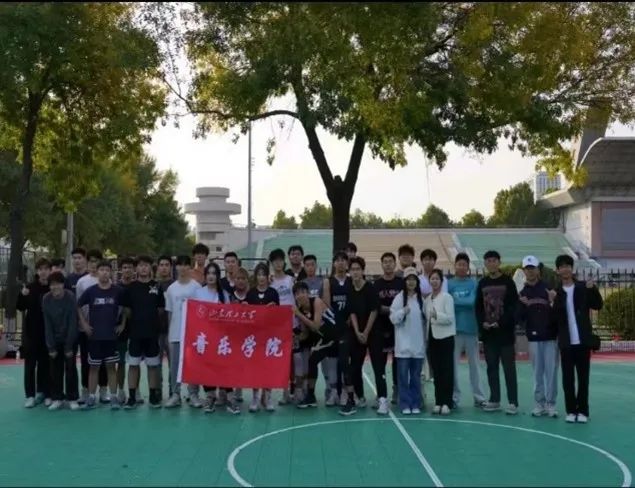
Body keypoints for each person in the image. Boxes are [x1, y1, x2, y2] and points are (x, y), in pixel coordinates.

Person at [552, 254, 603, 424]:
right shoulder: (556, 292)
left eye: (568, 266)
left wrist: (592, 289)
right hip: (566, 343)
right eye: (562, 266)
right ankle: (571, 410)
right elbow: (555, 319)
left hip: (583, 342)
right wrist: (552, 302)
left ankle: (583, 411)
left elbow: (598, 305)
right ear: (558, 270)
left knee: (583, 379)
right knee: (568, 380)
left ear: (571, 268)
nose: (565, 269)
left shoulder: (582, 287)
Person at [475, 250, 519, 415]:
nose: (491, 263)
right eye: (488, 261)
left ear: (499, 262)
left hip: (505, 334)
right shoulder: (482, 283)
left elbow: (513, 307)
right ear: (485, 264)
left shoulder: (508, 282)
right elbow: (478, 307)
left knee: (509, 369)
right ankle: (494, 399)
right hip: (489, 335)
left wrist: (500, 322)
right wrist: (483, 323)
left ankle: (513, 402)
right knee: (491, 367)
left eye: (494, 260)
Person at [77, 260, 125, 410]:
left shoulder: (118, 291)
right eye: (102, 270)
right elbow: (77, 306)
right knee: (94, 367)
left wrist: (122, 324)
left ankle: (114, 397)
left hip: (111, 337)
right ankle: (91, 397)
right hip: (95, 337)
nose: (104, 272)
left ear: (110, 272)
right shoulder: (91, 291)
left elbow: (126, 308)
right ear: (97, 272)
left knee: (111, 367)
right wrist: (84, 324)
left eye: (107, 270)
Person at [193, 262, 240, 415]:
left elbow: (229, 316)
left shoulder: (224, 294)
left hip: (221, 338)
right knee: (207, 367)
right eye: (209, 273)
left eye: (214, 273)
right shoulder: (198, 293)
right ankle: (210, 397)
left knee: (224, 367)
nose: (211, 276)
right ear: (205, 276)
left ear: (218, 276)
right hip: (205, 337)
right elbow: (194, 314)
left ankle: (230, 398)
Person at [517, 255, 559, 418]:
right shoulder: (523, 293)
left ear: (538, 270)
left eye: (532, 268)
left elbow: (558, 313)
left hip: (550, 337)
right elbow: (520, 319)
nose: (530, 271)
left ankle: (551, 404)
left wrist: (552, 302)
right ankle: (539, 403)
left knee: (551, 372)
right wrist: (522, 305)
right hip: (534, 338)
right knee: (537, 373)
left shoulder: (548, 288)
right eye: (527, 268)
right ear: (524, 271)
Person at [120, 256, 164, 409]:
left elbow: (160, 310)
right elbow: (127, 311)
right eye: (140, 265)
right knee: (133, 365)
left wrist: (152, 322)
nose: (143, 268)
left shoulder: (157, 287)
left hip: (152, 334)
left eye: (146, 265)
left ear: (150, 268)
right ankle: (132, 397)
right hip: (135, 334)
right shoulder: (130, 288)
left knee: (153, 366)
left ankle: (153, 397)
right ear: (136, 268)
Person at [164, 256, 203, 409]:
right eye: (180, 265)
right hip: (175, 333)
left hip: (192, 334)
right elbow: (169, 313)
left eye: (186, 265)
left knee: (193, 365)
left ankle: (193, 394)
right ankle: (175, 394)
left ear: (190, 267)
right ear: (176, 267)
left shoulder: (196, 287)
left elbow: (201, 311)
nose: (183, 268)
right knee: (175, 366)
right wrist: (169, 333)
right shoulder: (171, 289)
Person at [448, 253, 486, 409]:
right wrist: (461, 302)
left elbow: (472, 302)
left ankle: (479, 397)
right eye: (459, 264)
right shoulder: (448, 284)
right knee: (453, 366)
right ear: (455, 266)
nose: (462, 267)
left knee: (475, 365)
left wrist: (457, 301)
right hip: (454, 330)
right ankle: (454, 397)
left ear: (468, 267)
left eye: (464, 264)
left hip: (471, 329)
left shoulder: (474, 283)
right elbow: (448, 303)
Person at [322, 251, 356, 415]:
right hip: (333, 325)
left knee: (344, 360)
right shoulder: (328, 282)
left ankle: (345, 393)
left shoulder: (351, 280)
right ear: (334, 263)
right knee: (332, 360)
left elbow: (354, 302)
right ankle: (334, 391)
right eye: (338, 260)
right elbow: (327, 304)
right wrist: (335, 322)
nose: (341, 263)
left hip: (348, 327)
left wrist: (350, 318)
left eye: (344, 260)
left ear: (347, 264)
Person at [389, 267, 426, 415]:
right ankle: (405, 403)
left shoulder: (421, 300)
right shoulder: (399, 298)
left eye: (413, 279)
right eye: (408, 279)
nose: (411, 282)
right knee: (403, 378)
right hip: (403, 347)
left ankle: (415, 403)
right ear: (404, 281)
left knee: (416, 377)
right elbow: (393, 318)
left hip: (418, 346)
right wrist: (402, 311)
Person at [17, 258, 52, 408]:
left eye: (46, 269)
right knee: (30, 366)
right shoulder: (30, 288)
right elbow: (20, 307)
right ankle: (30, 396)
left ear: (50, 270)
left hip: (48, 333)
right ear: (37, 271)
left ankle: (45, 393)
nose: (43, 272)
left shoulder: (53, 287)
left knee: (46, 365)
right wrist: (22, 295)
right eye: (40, 269)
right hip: (31, 333)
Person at [76, 249, 109, 404]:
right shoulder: (82, 282)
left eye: (96, 261)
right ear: (87, 263)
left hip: (103, 329)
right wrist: (83, 324)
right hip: (86, 329)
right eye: (91, 261)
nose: (94, 264)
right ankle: (86, 391)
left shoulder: (108, 281)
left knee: (104, 361)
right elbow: (78, 305)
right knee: (86, 361)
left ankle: (103, 390)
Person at [42, 271, 79, 411]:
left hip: (69, 338)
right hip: (54, 339)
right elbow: (47, 324)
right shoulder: (46, 299)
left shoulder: (70, 297)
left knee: (70, 369)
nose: (55, 287)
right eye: (52, 284)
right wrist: (51, 347)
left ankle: (72, 398)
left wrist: (69, 346)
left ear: (63, 285)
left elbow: (72, 322)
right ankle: (57, 398)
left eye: (58, 284)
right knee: (54, 370)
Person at [372, 252, 404, 412]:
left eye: (391, 261)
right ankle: (381, 395)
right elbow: (376, 306)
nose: (388, 264)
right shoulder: (376, 284)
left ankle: (397, 391)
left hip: (399, 329)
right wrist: (393, 311)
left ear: (395, 263)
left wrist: (396, 313)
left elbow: (406, 303)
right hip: (380, 329)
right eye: (385, 262)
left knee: (398, 362)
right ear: (382, 264)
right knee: (380, 364)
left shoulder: (401, 283)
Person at [246, 262, 280, 411]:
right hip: (254, 337)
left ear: (267, 277)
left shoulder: (273, 293)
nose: (261, 278)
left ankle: (267, 397)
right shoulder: (251, 293)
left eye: (263, 275)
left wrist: (274, 309)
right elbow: (247, 315)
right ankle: (255, 397)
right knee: (255, 368)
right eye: (258, 275)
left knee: (268, 367)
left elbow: (279, 316)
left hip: (269, 337)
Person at [348, 257, 379, 409]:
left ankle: (381, 397)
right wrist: (357, 331)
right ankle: (360, 396)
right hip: (357, 333)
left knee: (377, 366)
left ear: (362, 271)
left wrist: (366, 332)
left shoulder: (370, 288)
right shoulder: (350, 289)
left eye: (358, 269)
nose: (355, 272)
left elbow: (374, 311)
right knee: (355, 366)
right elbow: (352, 312)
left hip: (372, 332)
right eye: (353, 269)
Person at [425, 269, 456, 415]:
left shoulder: (447, 297)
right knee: (436, 372)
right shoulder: (427, 299)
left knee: (447, 371)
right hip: (432, 338)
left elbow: (450, 318)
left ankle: (447, 402)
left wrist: (437, 315)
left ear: (441, 282)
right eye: (432, 279)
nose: (434, 281)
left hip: (446, 338)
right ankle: (438, 401)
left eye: (437, 279)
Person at [268, 248, 296, 405]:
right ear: (272, 263)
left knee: (291, 360)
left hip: (291, 325)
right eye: (275, 261)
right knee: (276, 359)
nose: (278, 263)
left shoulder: (291, 280)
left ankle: (290, 392)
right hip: (275, 327)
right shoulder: (269, 282)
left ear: (284, 262)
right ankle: (274, 392)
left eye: (280, 260)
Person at [115, 256, 136, 404]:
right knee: (121, 361)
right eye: (125, 267)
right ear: (120, 270)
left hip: (136, 329)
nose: (127, 270)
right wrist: (122, 323)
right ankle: (121, 390)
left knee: (135, 363)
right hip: (120, 330)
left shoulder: (137, 287)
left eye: (130, 267)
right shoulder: (116, 288)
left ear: (134, 270)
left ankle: (136, 391)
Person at [156, 255, 174, 397]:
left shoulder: (175, 285)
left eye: (166, 265)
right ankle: (157, 390)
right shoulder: (153, 285)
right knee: (156, 363)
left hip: (172, 330)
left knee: (173, 363)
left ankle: (173, 391)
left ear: (171, 267)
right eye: (161, 265)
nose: (164, 267)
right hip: (156, 330)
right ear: (158, 267)